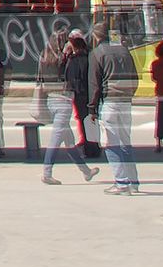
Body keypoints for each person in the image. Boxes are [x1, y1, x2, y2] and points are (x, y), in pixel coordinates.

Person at [36, 28, 96, 184]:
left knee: (68, 140)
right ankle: (47, 173)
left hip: (50, 100)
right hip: (63, 101)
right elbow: (70, 77)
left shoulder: (43, 57)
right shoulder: (63, 59)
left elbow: (39, 79)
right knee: (55, 139)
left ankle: (86, 171)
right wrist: (70, 53)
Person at [89, 22, 141, 194]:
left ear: (96, 36)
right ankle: (133, 181)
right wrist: (129, 94)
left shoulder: (97, 53)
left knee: (111, 143)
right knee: (126, 141)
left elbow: (95, 84)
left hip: (110, 101)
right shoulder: (125, 50)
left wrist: (92, 108)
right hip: (126, 102)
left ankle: (121, 182)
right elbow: (135, 76)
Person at [62, 29, 93, 154]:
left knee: (81, 118)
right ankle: (93, 145)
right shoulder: (90, 58)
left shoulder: (73, 60)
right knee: (91, 119)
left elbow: (69, 77)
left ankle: (86, 143)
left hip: (79, 93)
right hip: (89, 92)